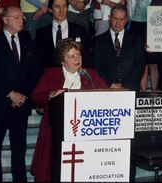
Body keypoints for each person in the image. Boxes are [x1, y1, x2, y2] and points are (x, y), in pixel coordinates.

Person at [30, 38, 108, 181]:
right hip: (54, 132)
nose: (77, 59)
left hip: (84, 133)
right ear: (62, 60)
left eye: (78, 55)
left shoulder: (90, 74)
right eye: (71, 56)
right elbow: (36, 96)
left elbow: (105, 95)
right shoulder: (51, 74)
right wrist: (52, 94)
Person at [0, 6, 41, 181]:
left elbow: (34, 70)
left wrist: (22, 95)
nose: (21, 20)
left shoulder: (27, 40)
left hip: (21, 104)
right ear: (5, 20)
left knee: (20, 148)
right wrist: (10, 93)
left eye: (22, 18)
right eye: (17, 17)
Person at [93, 4, 146, 91]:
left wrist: (125, 85)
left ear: (126, 20)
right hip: (106, 89)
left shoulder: (136, 39)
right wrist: (110, 84)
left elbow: (140, 64)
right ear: (109, 18)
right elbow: (96, 67)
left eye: (121, 19)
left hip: (130, 88)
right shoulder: (99, 41)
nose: (118, 23)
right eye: (115, 18)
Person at [35, 0, 92, 70]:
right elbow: (38, 63)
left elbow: (87, 59)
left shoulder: (80, 31)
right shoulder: (41, 33)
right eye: (57, 7)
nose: (61, 10)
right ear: (50, 9)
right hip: (51, 77)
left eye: (64, 6)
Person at [128, 0, 158, 91]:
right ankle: (143, 92)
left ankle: (154, 92)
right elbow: (130, 6)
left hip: (154, 25)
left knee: (153, 62)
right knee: (142, 62)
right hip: (136, 25)